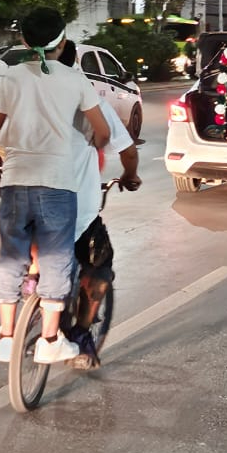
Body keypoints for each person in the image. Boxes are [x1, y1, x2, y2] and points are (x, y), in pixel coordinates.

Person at [0, 8, 110, 366]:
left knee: (11, 257)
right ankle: (51, 339)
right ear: (62, 41)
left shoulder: (9, 78)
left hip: (16, 182)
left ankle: (6, 336)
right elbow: (103, 133)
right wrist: (90, 142)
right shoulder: (75, 80)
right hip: (57, 184)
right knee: (56, 258)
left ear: (23, 41)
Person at [55, 39, 141, 369]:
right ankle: (80, 335)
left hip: (23, 204)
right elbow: (127, 150)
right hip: (74, 209)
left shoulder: (21, 91)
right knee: (98, 266)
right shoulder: (85, 98)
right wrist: (131, 176)